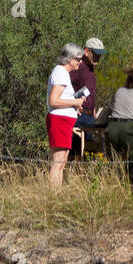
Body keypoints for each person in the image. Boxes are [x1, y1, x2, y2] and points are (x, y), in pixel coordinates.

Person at [47, 43, 86, 187]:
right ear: (69, 58)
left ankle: (56, 194)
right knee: (58, 162)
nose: (80, 62)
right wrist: (75, 102)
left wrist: (73, 105)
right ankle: (54, 196)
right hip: (60, 120)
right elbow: (53, 100)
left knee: (61, 162)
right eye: (78, 59)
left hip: (63, 120)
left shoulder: (61, 73)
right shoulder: (61, 73)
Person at [70, 36, 105, 128]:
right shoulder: (77, 66)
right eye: (95, 54)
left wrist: (92, 108)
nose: (98, 57)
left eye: (100, 55)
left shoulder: (91, 67)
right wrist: (72, 105)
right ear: (86, 51)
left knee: (90, 142)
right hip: (78, 116)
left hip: (89, 117)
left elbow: (89, 90)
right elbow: (59, 85)